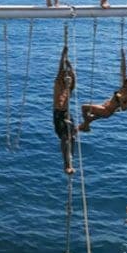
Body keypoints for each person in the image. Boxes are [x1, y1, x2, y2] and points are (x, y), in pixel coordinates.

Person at [78, 49, 127, 132]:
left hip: (106, 111)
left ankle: (86, 126)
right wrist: (123, 57)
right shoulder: (122, 88)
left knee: (84, 107)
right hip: (104, 106)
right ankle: (81, 128)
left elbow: (124, 108)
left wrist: (120, 99)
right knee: (89, 119)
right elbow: (123, 70)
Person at [53, 44, 76, 174]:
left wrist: (71, 68)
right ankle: (66, 164)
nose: (67, 77)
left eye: (69, 77)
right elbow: (60, 69)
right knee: (64, 137)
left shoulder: (69, 88)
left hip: (67, 113)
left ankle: (70, 159)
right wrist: (63, 55)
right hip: (58, 114)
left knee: (72, 138)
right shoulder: (58, 84)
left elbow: (74, 77)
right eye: (65, 75)